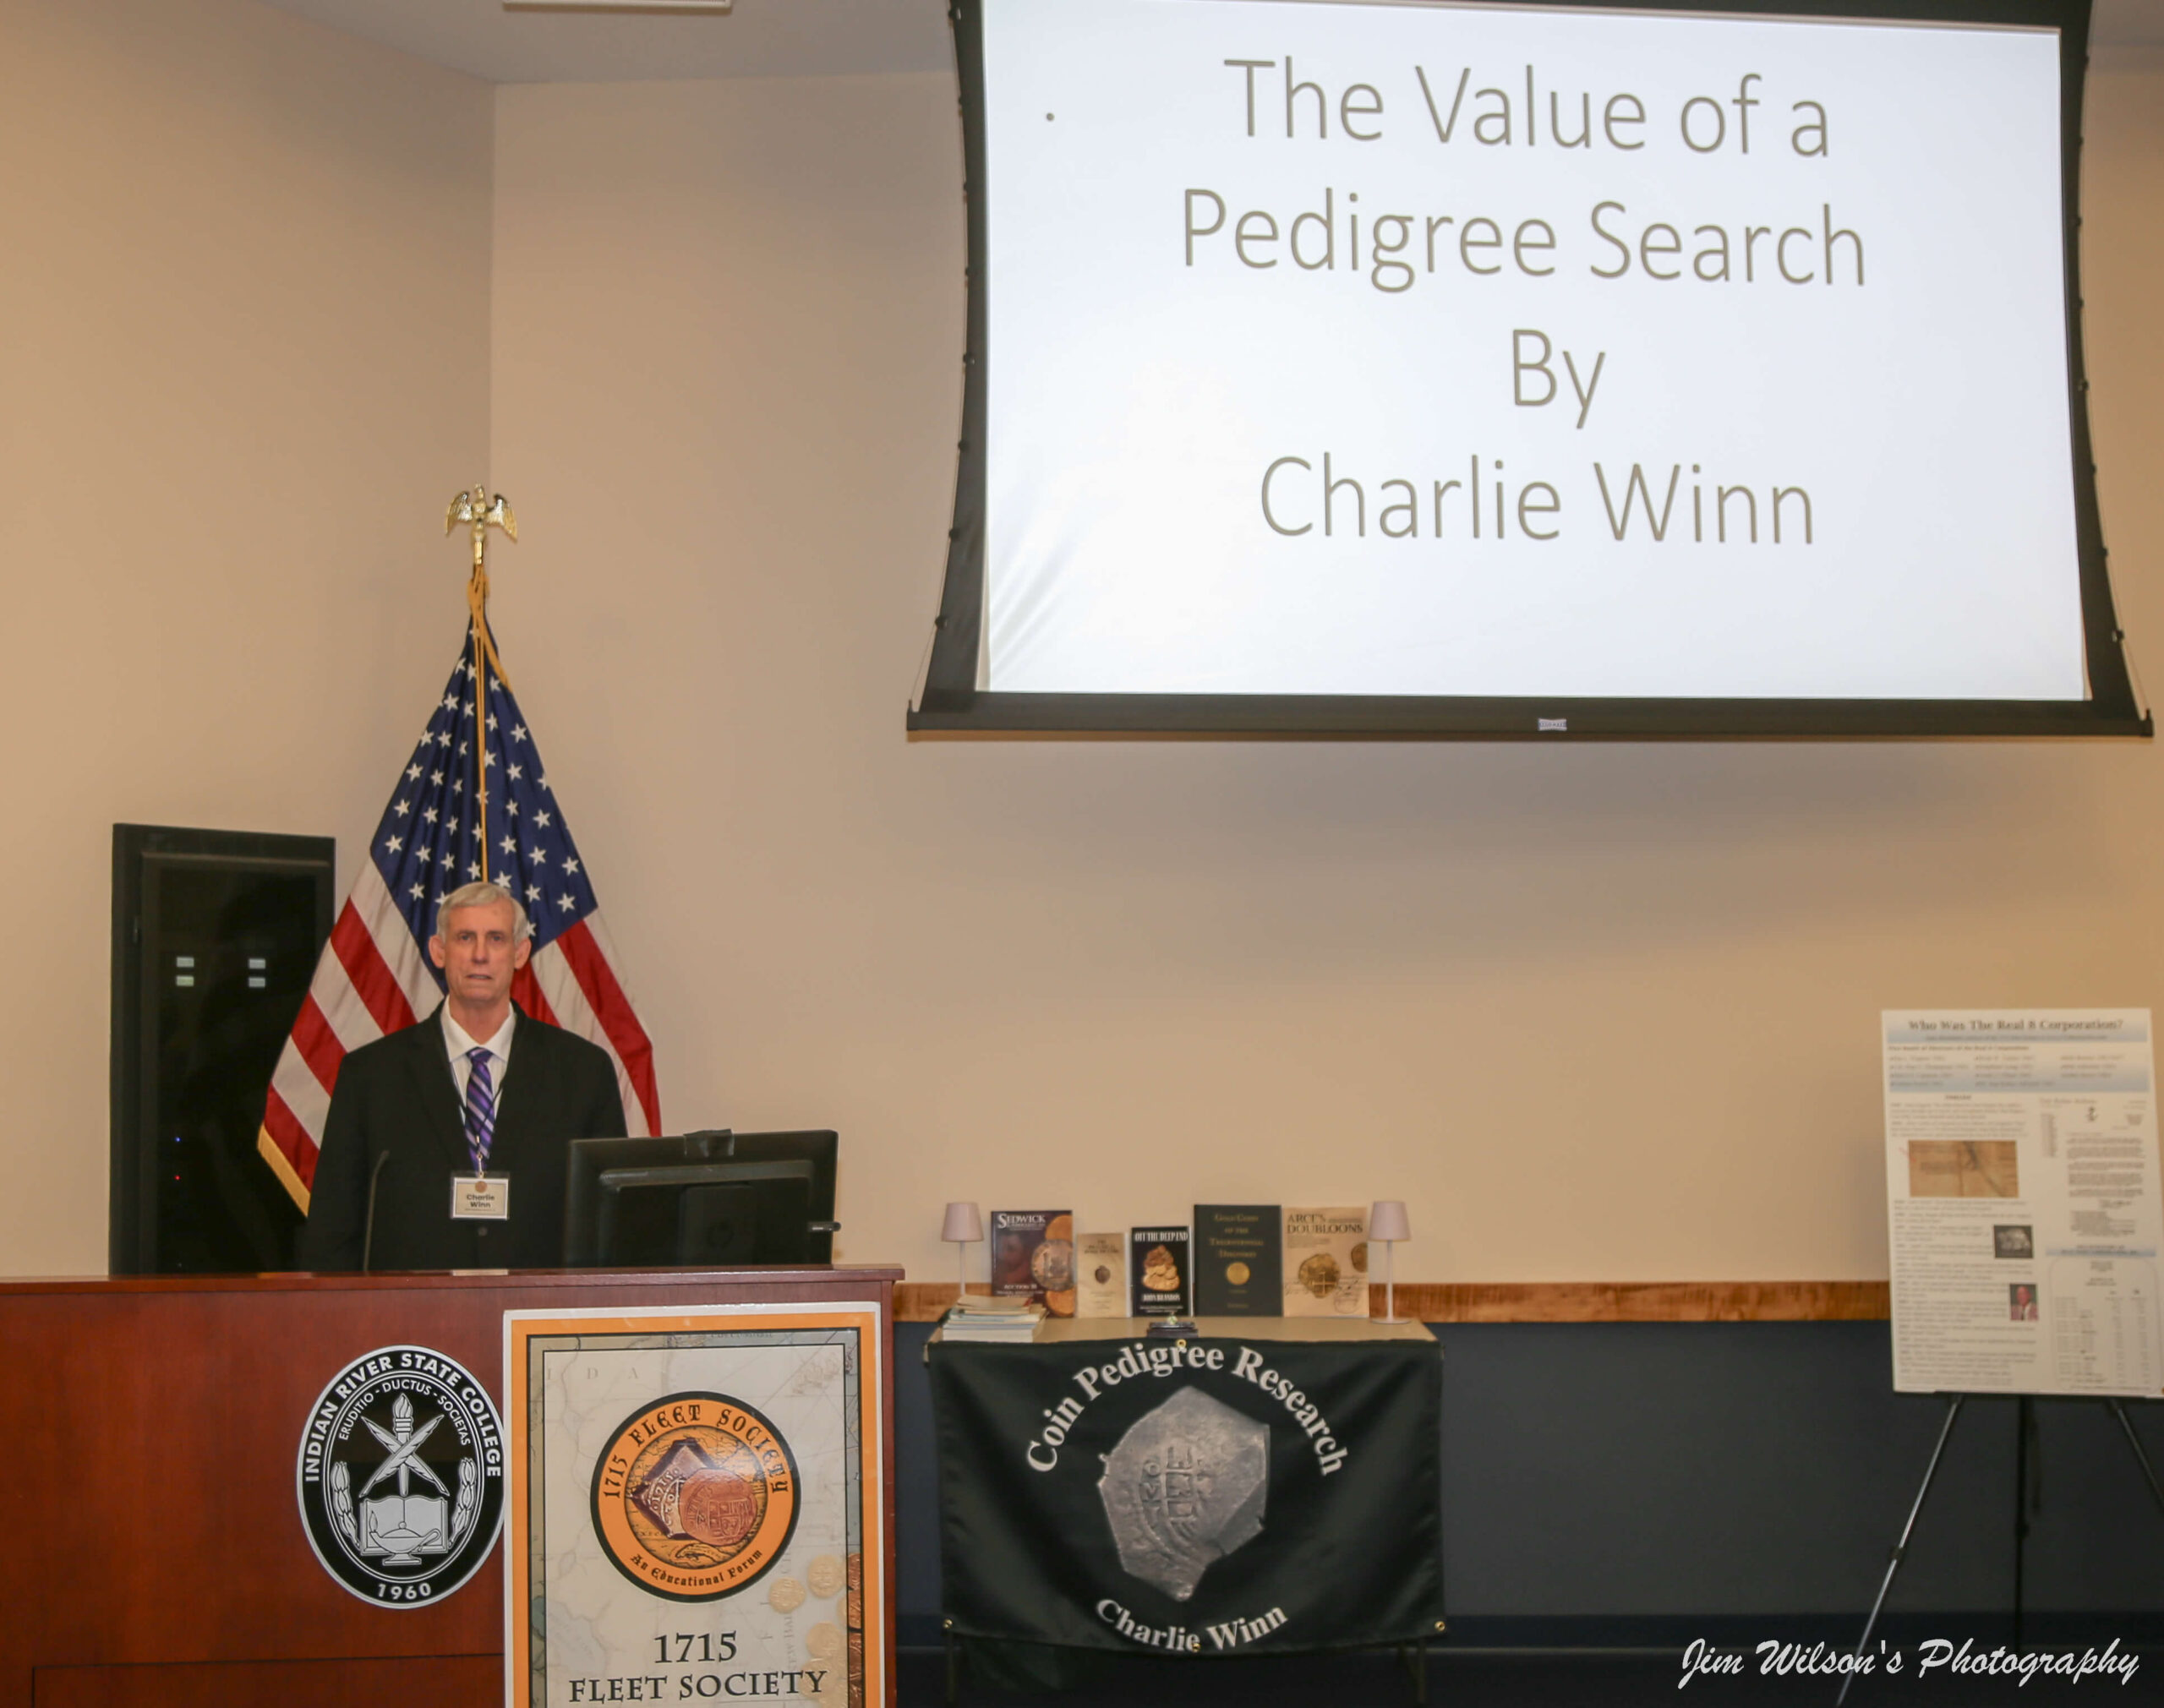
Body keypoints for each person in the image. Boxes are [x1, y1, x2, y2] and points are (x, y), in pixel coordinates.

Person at [298, 881, 627, 1270]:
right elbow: (332, 1231)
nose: (480, 955)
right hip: (412, 1304)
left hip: (538, 1303)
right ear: (439, 951)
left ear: (520, 953)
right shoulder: (370, 1075)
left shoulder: (583, 1072)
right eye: (465, 938)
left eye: (496, 939)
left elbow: (611, 1226)